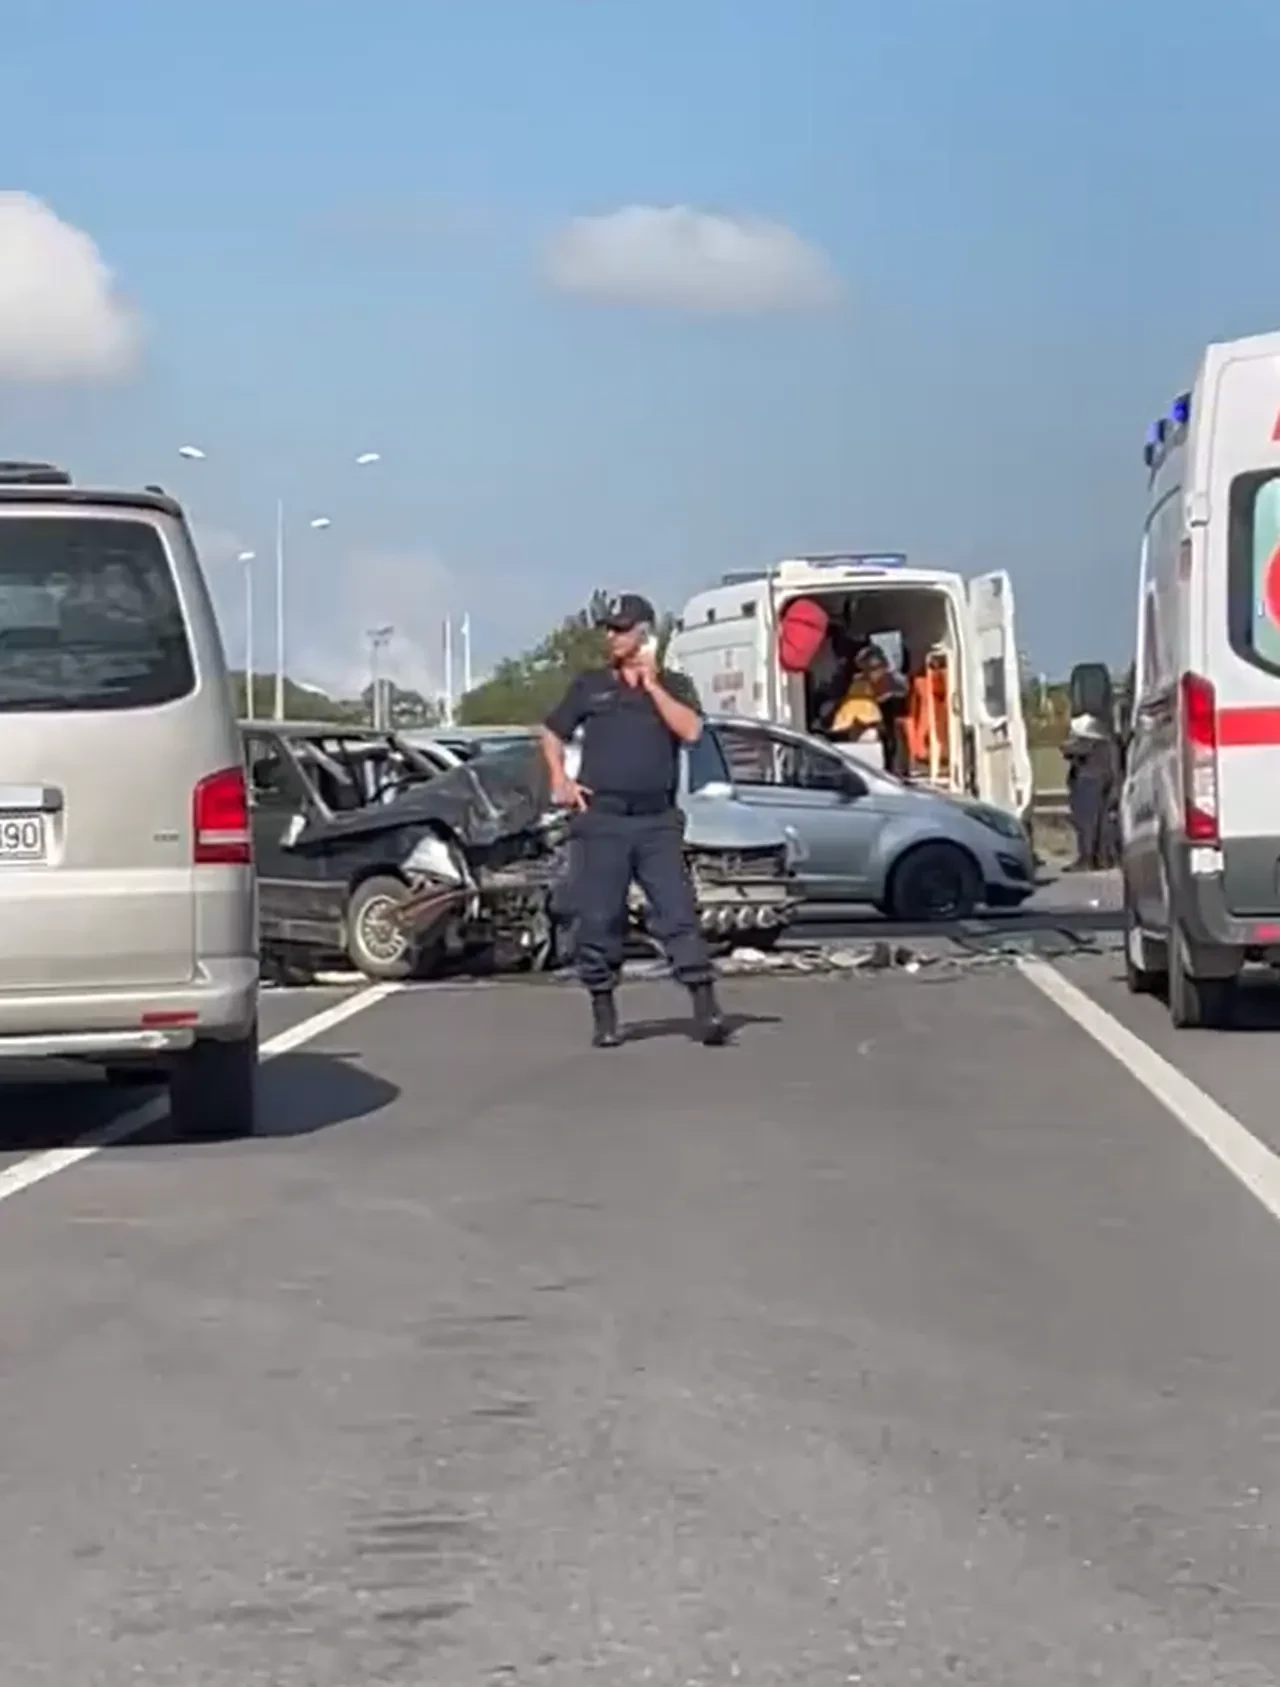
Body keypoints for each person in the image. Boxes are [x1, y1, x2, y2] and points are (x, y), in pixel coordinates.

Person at [540, 593, 729, 1050]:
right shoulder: (591, 685)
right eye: (608, 628)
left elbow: (690, 732)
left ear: (644, 634)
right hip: (603, 818)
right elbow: (551, 730)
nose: (611, 636)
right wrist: (560, 777)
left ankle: (706, 1009)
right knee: (600, 917)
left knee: (677, 912)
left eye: (620, 629)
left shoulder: (674, 686)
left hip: (656, 822)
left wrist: (653, 686)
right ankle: (604, 1013)